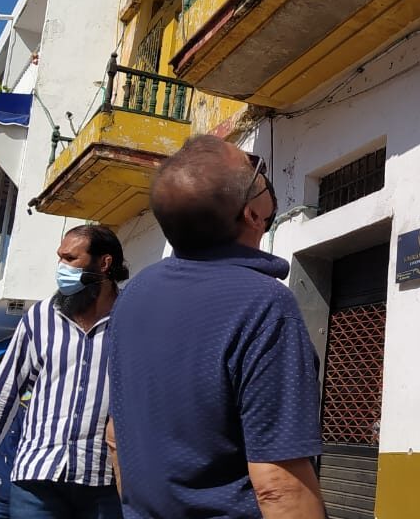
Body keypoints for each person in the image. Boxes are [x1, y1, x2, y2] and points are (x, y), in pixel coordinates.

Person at [108, 135, 324, 517]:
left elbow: (115, 437)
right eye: (255, 169)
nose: (263, 172)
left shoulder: (134, 295)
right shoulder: (264, 304)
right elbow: (278, 485)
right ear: (252, 216)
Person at [0, 225, 128, 519]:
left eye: (70, 259)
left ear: (104, 263)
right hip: (37, 479)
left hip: (105, 482)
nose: (61, 268)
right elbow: (4, 393)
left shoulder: (133, 315)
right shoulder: (41, 317)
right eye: (59, 258)